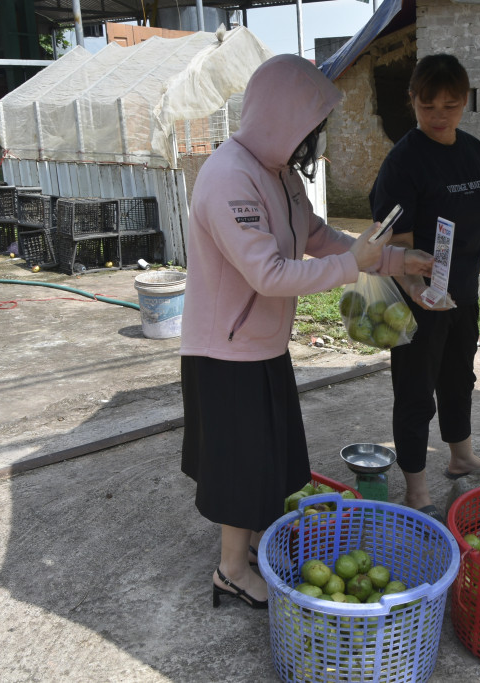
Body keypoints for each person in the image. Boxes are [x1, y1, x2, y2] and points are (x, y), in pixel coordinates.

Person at [180, 54, 433, 610]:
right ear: (279, 117)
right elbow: (269, 274)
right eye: (308, 127)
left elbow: (318, 238)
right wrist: (357, 266)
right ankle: (229, 570)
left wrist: (393, 259)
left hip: (260, 344)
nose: (313, 141)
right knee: (241, 465)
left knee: (263, 458)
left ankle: (242, 550)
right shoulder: (229, 177)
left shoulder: (279, 174)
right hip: (226, 350)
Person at [369, 53, 480, 523]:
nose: (439, 115)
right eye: (428, 105)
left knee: (460, 379)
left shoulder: (473, 151)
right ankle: (415, 487)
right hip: (417, 302)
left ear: (465, 102)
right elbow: (396, 243)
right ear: (412, 100)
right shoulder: (403, 163)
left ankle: (461, 456)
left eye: (450, 106)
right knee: (415, 391)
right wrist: (417, 289)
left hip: (463, 297)